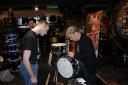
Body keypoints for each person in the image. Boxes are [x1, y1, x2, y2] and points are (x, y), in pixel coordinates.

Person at [18, 18, 49, 85]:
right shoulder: (30, 37)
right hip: (29, 66)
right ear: (43, 25)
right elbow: (25, 59)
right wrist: (32, 76)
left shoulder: (34, 35)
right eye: (46, 30)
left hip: (33, 64)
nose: (46, 33)